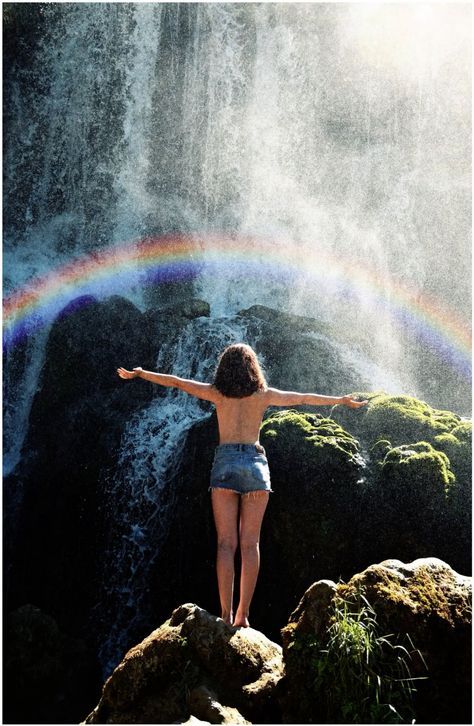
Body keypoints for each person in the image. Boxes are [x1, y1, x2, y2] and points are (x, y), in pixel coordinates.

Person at [117, 343, 367, 628]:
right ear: (253, 368)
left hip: (224, 465)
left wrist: (141, 373)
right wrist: (341, 400)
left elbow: (176, 382)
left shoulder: (216, 394)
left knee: (225, 544)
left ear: (223, 368)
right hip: (255, 466)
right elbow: (303, 398)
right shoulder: (264, 395)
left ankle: (224, 614)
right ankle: (243, 615)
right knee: (250, 544)